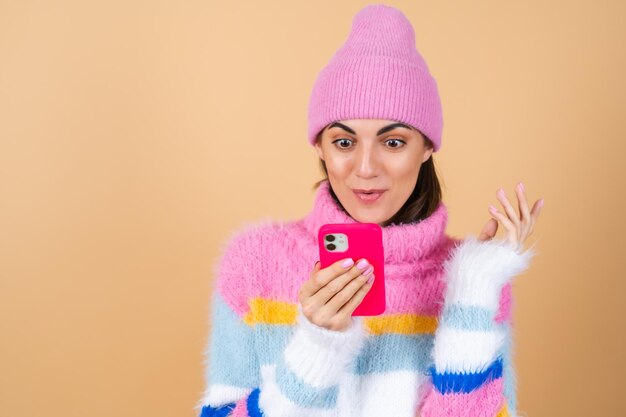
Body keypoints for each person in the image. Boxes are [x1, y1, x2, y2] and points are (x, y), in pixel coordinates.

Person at [196, 4, 543, 417]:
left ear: (427, 147)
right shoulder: (253, 264)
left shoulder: (475, 279)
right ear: (320, 146)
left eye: (392, 142)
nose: (365, 168)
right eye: (344, 142)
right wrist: (317, 349)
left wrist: (473, 289)